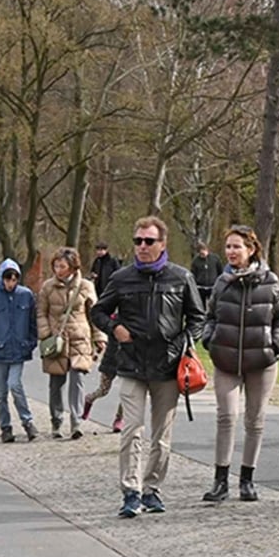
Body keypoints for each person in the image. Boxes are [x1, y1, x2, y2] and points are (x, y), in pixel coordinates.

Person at [90, 216, 207, 519]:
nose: (142, 246)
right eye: (138, 241)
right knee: (131, 430)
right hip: (131, 364)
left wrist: (185, 342)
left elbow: (198, 317)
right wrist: (114, 328)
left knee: (162, 434)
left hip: (168, 366)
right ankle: (130, 492)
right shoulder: (122, 278)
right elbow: (98, 311)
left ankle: (151, 489)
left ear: (162, 244)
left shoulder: (180, 278)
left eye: (149, 241)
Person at [201, 224, 279, 503]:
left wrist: (276, 344)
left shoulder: (270, 281)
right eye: (228, 246)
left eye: (236, 246)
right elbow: (210, 316)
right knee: (226, 417)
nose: (231, 251)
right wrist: (210, 339)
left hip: (261, 361)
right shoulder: (221, 282)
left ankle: (247, 480)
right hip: (226, 359)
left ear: (251, 249)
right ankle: (220, 481)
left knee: (255, 420)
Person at [37, 247, 106, 440]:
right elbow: (41, 312)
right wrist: (45, 334)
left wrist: (99, 337)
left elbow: (95, 314)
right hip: (56, 341)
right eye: (56, 265)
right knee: (56, 383)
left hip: (79, 339)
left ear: (72, 267)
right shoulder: (47, 287)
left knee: (78, 380)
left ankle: (76, 421)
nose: (58, 269)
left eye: (62, 266)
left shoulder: (85, 286)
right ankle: (56, 421)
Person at [0, 259, 39, 443]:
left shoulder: (26, 295)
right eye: (7, 279)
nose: (10, 283)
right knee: (0, 393)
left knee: (15, 384)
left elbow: (32, 322)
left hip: (19, 350)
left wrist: (30, 342)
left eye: (14, 279)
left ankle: (27, 421)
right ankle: (5, 427)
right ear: (1, 278)